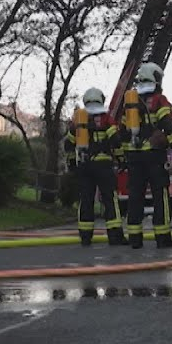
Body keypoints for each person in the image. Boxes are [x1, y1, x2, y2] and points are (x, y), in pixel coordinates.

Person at [118, 62, 172, 249]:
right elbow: (168, 127)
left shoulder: (130, 102)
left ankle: (135, 239)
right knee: (160, 195)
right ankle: (162, 238)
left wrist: (123, 157)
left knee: (135, 196)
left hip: (134, 158)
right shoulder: (160, 100)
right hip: (154, 157)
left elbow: (122, 132)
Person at [63, 88, 128, 247]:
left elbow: (68, 144)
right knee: (110, 200)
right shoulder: (106, 119)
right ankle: (115, 236)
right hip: (104, 166)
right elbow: (116, 141)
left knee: (86, 200)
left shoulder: (79, 120)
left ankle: (85, 236)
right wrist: (121, 160)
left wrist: (72, 163)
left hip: (85, 166)